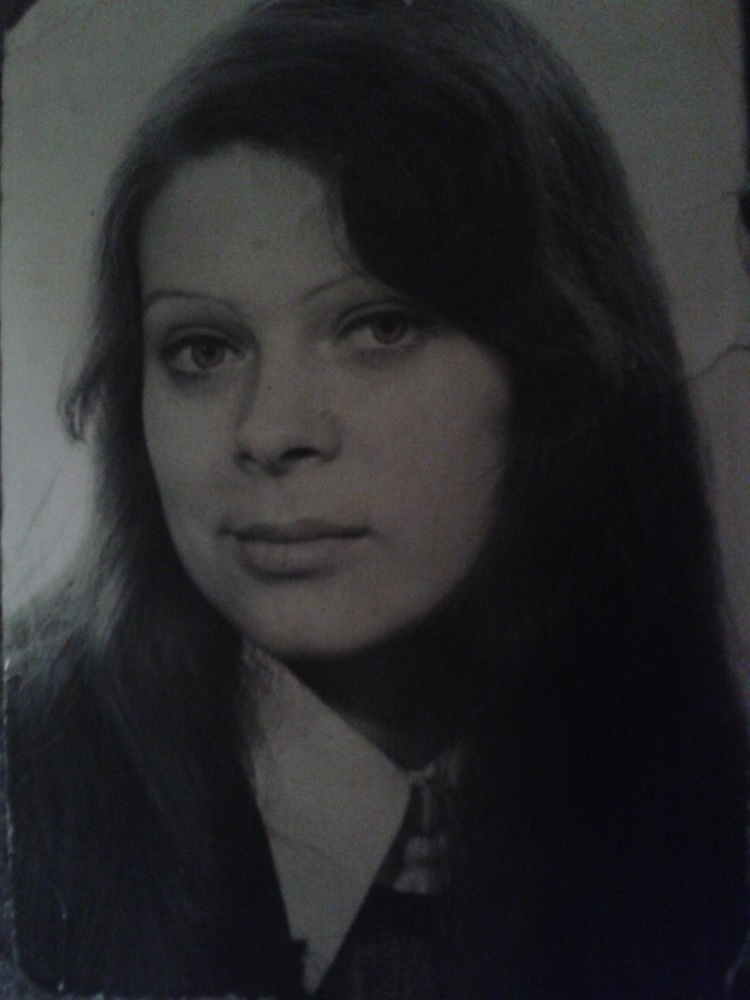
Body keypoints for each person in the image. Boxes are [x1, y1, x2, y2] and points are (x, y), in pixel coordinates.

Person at [5, 1, 749, 997]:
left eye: (378, 328)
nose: (269, 430)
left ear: (554, 370)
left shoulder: (703, 807)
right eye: (203, 349)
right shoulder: (25, 804)